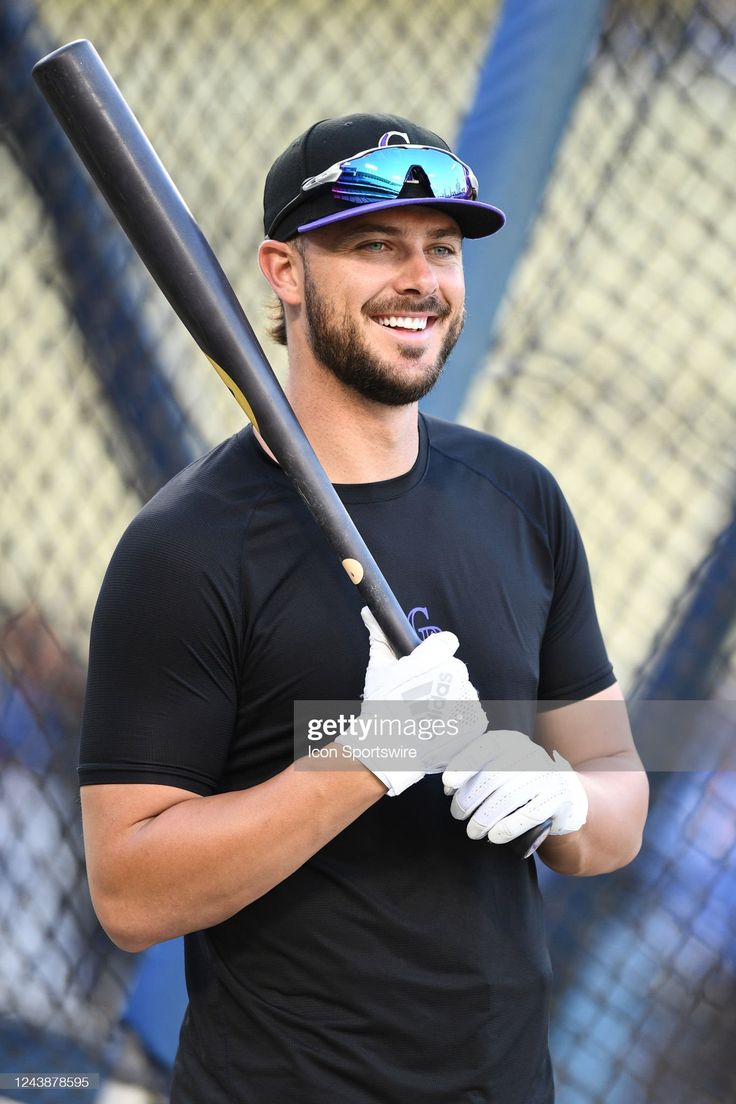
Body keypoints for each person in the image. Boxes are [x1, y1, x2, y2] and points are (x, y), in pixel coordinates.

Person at [79, 113, 649, 1103]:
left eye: (442, 248)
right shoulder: (185, 548)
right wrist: (364, 758)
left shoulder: (522, 503)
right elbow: (128, 891)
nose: (420, 279)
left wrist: (565, 801)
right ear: (283, 270)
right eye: (374, 244)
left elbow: (616, 793)